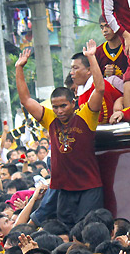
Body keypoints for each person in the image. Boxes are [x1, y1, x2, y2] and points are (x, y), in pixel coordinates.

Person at [15, 41, 104, 228]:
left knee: (86, 229)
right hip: (63, 189)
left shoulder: (86, 115)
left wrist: (91, 57)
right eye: (55, 107)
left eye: (63, 106)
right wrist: (19, 69)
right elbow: (25, 99)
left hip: (89, 187)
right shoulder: (50, 119)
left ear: (73, 103)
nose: (59, 111)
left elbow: (100, 89)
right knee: (65, 230)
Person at [70, 50, 123, 125]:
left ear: (89, 70)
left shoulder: (99, 87)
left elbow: (102, 119)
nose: (71, 72)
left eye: (75, 68)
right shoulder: (81, 91)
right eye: (71, 69)